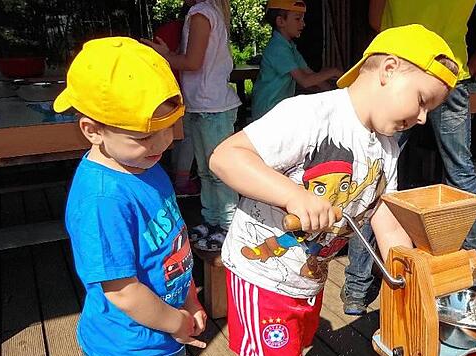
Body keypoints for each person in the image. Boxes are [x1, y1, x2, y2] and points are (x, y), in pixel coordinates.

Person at [209, 24, 460, 356]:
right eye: (420, 101)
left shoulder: (385, 145)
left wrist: (406, 263)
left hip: (307, 276)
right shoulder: (309, 115)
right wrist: (295, 196)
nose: (422, 118)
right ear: (389, 70)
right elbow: (225, 157)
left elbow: (380, 209)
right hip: (264, 273)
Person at [57, 37, 208, 356]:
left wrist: (190, 299)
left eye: (167, 128)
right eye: (143, 136)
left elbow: (173, 245)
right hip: (130, 349)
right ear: (93, 130)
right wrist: (176, 323)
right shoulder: (101, 199)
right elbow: (121, 290)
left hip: (168, 328)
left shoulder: (147, 166)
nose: (161, 143)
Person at [341, 0, 476, 315]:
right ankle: (472, 275)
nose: (421, 118)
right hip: (450, 77)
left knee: (372, 172)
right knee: (461, 172)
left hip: (403, 71)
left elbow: (375, 18)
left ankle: (357, 288)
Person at [144, 0, 242, 252]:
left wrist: (164, 57)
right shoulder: (206, 12)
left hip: (212, 107)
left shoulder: (201, 14)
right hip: (204, 105)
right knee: (208, 171)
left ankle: (230, 227)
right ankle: (214, 221)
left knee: (219, 172)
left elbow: (193, 62)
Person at [251, 0, 343, 120]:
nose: (303, 24)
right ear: (280, 21)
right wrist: (334, 72)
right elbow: (305, 80)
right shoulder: (278, 48)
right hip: (268, 112)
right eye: (297, 19)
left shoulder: (289, 46)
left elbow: (310, 74)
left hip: (278, 110)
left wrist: (335, 93)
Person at [153, 8, 201, 196]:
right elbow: (191, 62)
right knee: (187, 137)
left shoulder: (167, 29)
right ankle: (182, 181)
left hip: (164, 89)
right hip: (178, 90)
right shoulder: (187, 28)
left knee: (174, 135)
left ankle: (177, 176)